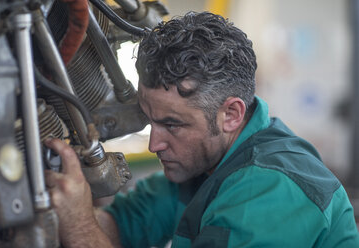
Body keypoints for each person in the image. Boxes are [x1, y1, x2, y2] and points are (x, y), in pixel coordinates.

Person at [45, 11, 359, 248]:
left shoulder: (270, 190)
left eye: (172, 124)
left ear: (231, 114)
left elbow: (87, 230)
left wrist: (80, 227)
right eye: (150, 120)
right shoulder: (202, 164)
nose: (155, 144)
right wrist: (67, 208)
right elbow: (123, 222)